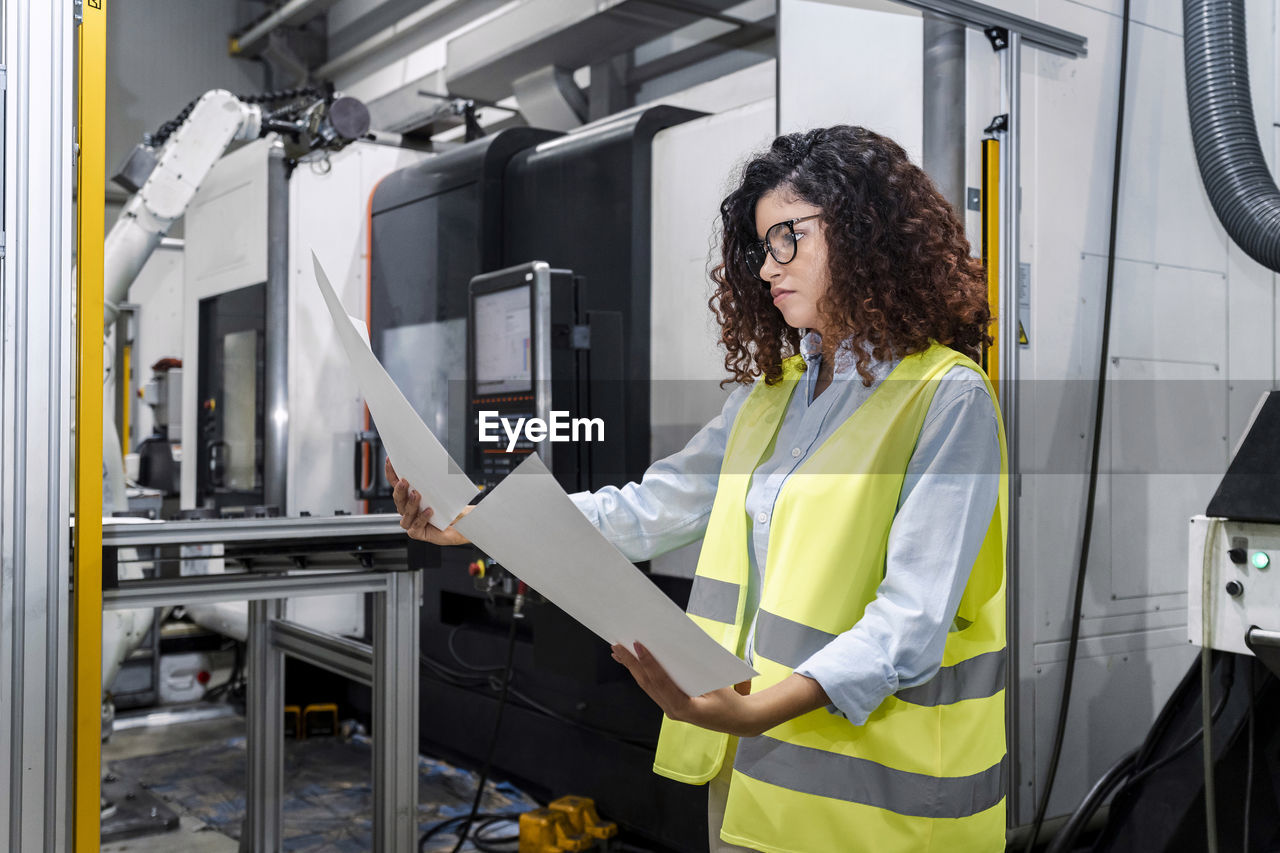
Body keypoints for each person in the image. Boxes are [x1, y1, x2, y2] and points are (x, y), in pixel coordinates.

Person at [388, 125, 1007, 853]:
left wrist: (755, 711)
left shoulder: (946, 398)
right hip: (752, 778)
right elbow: (649, 511)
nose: (768, 267)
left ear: (865, 231)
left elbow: (910, 620)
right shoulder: (770, 399)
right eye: (760, 247)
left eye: (788, 238)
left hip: (880, 806)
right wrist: (476, 521)